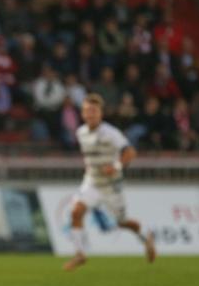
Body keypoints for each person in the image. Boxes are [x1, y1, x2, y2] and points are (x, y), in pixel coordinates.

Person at [63, 93, 156, 271]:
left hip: (111, 186)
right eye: (87, 111)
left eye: (94, 111)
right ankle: (80, 254)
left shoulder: (111, 133)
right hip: (92, 182)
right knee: (76, 212)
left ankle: (146, 235)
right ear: (82, 114)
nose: (90, 114)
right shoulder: (80, 132)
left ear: (101, 113)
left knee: (122, 222)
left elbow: (130, 152)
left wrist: (116, 166)